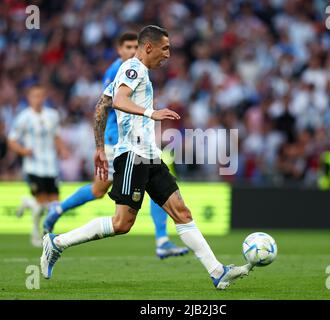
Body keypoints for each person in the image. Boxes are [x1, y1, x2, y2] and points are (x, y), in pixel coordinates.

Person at [40, 25, 252, 289]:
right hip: (132, 155)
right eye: (165, 48)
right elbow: (118, 100)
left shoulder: (133, 71)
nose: (168, 54)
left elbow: (102, 105)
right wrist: (151, 113)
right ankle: (57, 242)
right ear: (149, 47)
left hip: (149, 155)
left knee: (182, 212)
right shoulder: (134, 69)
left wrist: (98, 147)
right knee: (121, 223)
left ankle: (217, 271)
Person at [42, 32, 188, 259]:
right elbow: (108, 104)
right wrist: (101, 145)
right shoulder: (119, 70)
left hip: (136, 141)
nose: (131, 51)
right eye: (127, 47)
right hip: (117, 140)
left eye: (133, 46)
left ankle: (162, 240)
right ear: (119, 49)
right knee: (99, 190)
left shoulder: (139, 68)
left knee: (155, 182)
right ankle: (58, 211)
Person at [8, 85, 67, 247]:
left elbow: (56, 136)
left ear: (45, 96)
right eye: (35, 96)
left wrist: (63, 149)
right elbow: (12, 140)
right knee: (41, 204)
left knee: (54, 205)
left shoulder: (53, 115)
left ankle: (27, 203)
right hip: (33, 166)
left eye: (41, 95)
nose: (38, 99)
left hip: (51, 166)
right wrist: (23, 150)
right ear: (29, 98)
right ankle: (37, 235)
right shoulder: (24, 117)